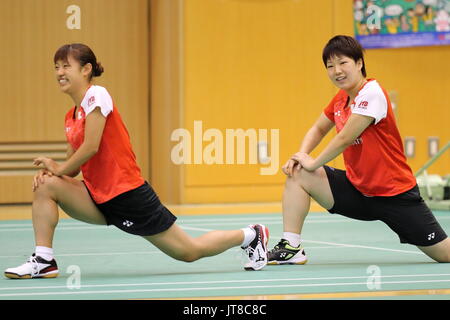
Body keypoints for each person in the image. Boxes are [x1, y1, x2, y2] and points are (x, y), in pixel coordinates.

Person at [4, 43, 269, 279]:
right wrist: (54, 174)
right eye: (56, 67)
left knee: (188, 251)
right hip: (99, 196)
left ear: (86, 69)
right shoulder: (70, 117)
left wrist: (57, 168)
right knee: (46, 185)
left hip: (128, 194)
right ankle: (44, 260)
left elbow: (91, 147)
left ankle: (250, 235)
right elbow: (72, 168)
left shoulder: (98, 96)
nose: (59, 72)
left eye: (66, 66)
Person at [268, 35, 450, 265]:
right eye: (330, 66)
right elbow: (318, 128)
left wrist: (312, 162)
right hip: (358, 191)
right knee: (298, 174)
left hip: (395, 195)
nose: (337, 71)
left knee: (446, 255)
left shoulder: (371, 93)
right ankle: (291, 246)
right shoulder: (341, 98)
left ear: (359, 63)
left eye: (343, 63)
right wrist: (300, 156)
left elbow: (345, 138)